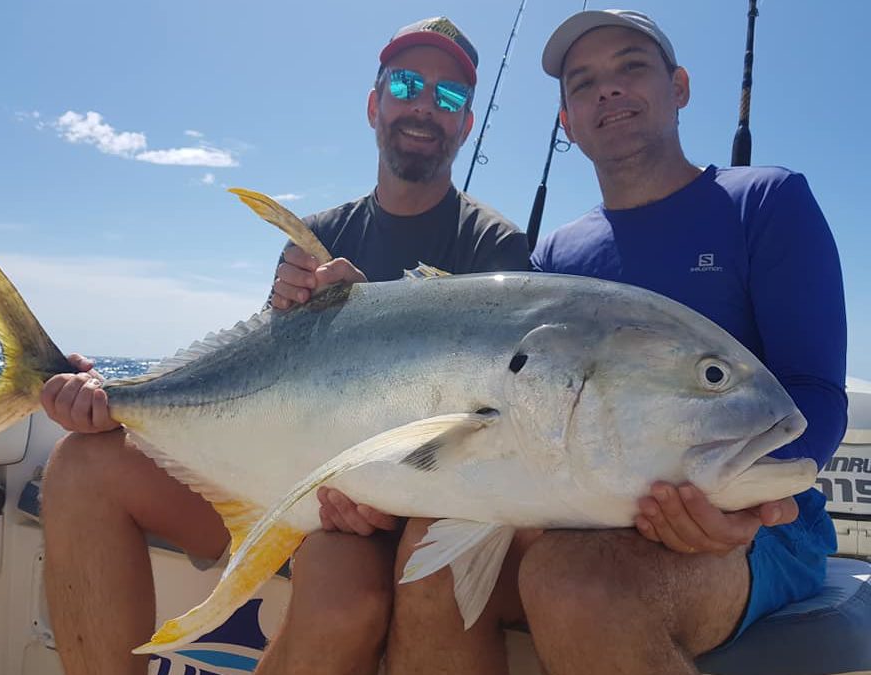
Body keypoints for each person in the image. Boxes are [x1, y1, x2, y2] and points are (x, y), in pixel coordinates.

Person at [38, 15, 529, 675]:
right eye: (408, 84)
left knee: (340, 594)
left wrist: (370, 324)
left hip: (387, 513)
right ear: (373, 104)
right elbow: (261, 382)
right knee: (80, 465)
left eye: (448, 97)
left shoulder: (494, 250)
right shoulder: (317, 234)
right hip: (276, 474)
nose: (423, 106)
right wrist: (275, 316)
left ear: (467, 123)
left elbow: (498, 429)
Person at [382, 9, 848, 675]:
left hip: (761, 527)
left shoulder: (766, 201)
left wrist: (735, 506)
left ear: (680, 86)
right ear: (567, 124)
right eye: (583, 83)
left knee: (577, 582)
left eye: (631, 66)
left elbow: (816, 397)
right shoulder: (554, 255)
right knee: (426, 553)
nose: (608, 89)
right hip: (581, 503)